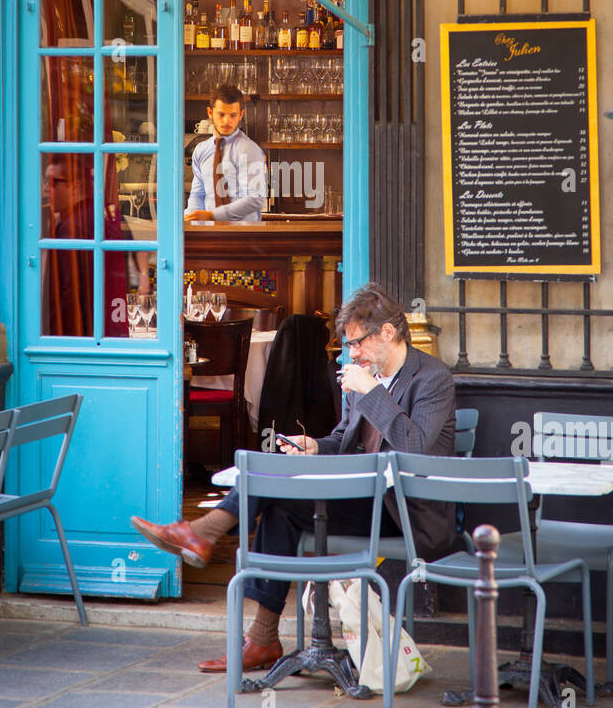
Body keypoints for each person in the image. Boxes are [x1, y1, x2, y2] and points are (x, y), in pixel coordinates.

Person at [131, 283, 456, 672]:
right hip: (360, 496)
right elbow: (344, 439)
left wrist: (371, 392)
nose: (352, 354)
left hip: (403, 511)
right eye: (349, 345)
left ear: (387, 333)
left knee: (276, 495)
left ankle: (208, 535)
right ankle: (262, 636)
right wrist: (316, 446)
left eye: (358, 343)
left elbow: (415, 447)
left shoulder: (431, 378)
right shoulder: (362, 376)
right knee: (278, 500)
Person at [185, 83, 266, 224]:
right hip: (208, 237)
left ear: (241, 115)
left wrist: (213, 215)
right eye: (221, 114)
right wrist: (191, 221)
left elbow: (256, 199)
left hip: (243, 237)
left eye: (233, 115)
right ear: (210, 113)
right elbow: (198, 194)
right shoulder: (201, 150)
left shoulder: (249, 150)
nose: (227, 121)